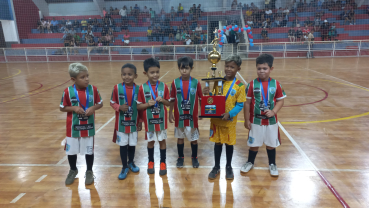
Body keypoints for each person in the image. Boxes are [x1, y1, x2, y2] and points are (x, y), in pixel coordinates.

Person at [241, 54, 286, 177]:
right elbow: (247, 103)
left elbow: (281, 101)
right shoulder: (251, 84)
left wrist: (274, 111)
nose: (261, 71)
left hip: (271, 121)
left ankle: (272, 164)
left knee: (271, 144)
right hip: (255, 121)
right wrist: (246, 119)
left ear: (271, 69)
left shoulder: (276, 84)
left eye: (265, 68)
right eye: (259, 68)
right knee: (254, 144)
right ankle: (250, 162)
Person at [202, 55, 246, 180]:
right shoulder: (218, 81)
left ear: (238, 68)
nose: (229, 69)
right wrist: (208, 94)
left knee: (229, 144)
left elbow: (240, 105)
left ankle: (228, 166)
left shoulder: (240, 86)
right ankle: (216, 166)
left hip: (229, 122)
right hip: (216, 120)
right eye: (227, 66)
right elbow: (215, 99)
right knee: (217, 143)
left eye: (232, 67)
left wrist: (229, 114)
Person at [60, 63, 103, 185]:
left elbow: (100, 104)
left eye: (87, 76)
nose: (87, 79)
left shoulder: (93, 89)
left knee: (89, 151)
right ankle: (73, 169)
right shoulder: (68, 91)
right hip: (73, 128)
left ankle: (89, 171)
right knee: (71, 151)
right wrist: (73, 108)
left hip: (88, 127)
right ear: (73, 79)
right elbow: (62, 108)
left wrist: (93, 108)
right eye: (82, 77)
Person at [136, 58, 171, 176]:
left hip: (161, 121)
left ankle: (163, 162)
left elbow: (169, 103)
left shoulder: (164, 86)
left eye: (157, 72)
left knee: (162, 141)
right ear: (145, 73)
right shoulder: (141, 88)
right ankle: (150, 161)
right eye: (152, 72)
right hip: (149, 122)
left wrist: (163, 100)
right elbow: (138, 106)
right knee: (150, 142)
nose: (155, 75)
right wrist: (147, 104)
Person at [168, 56, 202, 168]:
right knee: (180, 138)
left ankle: (194, 157)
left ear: (191, 68)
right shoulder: (175, 82)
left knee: (194, 139)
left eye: (186, 68)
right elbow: (172, 99)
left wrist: (202, 112)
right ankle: (180, 157)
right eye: (182, 68)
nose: (184, 71)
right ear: (179, 68)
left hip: (192, 118)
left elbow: (201, 98)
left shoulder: (196, 83)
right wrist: (170, 113)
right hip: (179, 117)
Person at [110, 63, 142, 180]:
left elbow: (140, 106)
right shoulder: (117, 88)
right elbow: (112, 102)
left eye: (129, 74)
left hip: (133, 123)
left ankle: (131, 162)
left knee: (132, 145)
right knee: (123, 145)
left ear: (135, 75)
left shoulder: (139, 89)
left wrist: (141, 121)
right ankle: (124, 167)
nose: (126, 77)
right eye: (124, 74)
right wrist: (119, 107)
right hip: (121, 124)